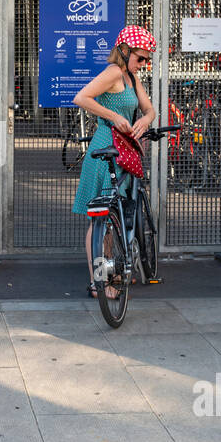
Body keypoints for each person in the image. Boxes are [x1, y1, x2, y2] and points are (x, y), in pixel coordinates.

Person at [71, 25, 157, 297]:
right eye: (140, 58)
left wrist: (145, 119)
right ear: (124, 51)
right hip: (105, 149)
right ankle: (100, 281)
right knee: (101, 219)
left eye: (146, 59)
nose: (143, 64)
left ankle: (113, 271)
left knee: (115, 218)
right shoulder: (113, 73)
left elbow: (149, 109)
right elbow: (81, 97)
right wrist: (113, 116)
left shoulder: (132, 77)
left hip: (125, 152)